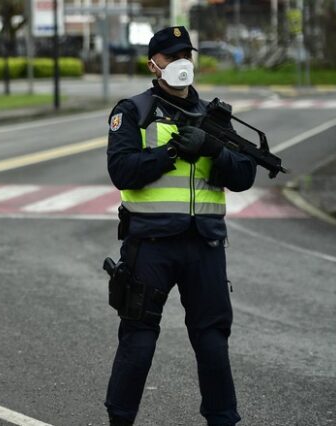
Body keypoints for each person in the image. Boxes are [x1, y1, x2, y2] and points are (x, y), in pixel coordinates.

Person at [105, 26, 257, 425]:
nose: (181, 64)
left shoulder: (213, 115)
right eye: (172, 58)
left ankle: (223, 420)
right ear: (154, 65)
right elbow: (121, 171)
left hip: (205, 246)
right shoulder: (132, 111)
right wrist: (170, 152)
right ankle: (120, 419)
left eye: (186, 55)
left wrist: (213, 149)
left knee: (212, 342)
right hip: (150, 245)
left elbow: (244, 174)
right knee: (138, 338)